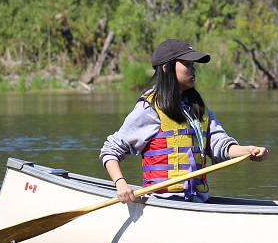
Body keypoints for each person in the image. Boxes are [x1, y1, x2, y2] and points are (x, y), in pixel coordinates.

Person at [100, 39, 268, 203]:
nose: (193, 70)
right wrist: (121, 184)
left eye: (193, 65)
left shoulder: (199, 109)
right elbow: (110, 150)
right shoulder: (149, 108)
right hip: (163, 201)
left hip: (198, 201)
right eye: (187, 64)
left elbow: (220, 145)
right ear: (166, 68)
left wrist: (248, 151)